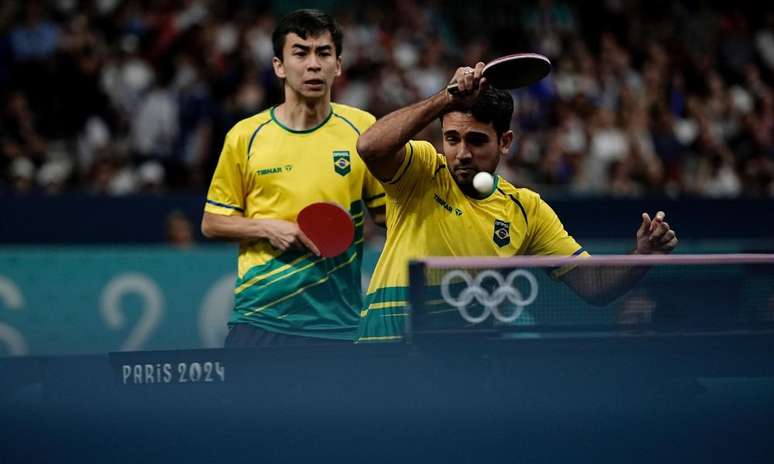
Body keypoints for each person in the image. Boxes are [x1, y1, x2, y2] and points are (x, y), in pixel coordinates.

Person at [355, 62, 678, 342]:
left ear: (505, 142)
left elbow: (593, 286)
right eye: (452, 139)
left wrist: (643, 255)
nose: (462, 153)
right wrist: (446, 97)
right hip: (384, 347)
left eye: (477, 140)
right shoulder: (423, 169)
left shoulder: (527, 209)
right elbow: (370, 145)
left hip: (453, 358)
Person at [201, 9, 386, 347]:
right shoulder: (246, 136)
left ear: (338, 65)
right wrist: (267, 227)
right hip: (260, 320)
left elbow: (389, 216)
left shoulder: (362, 129)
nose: (313, 64)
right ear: (279, 66)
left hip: (337, 326)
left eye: (324, 53)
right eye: (300, 53)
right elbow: (212, 222)